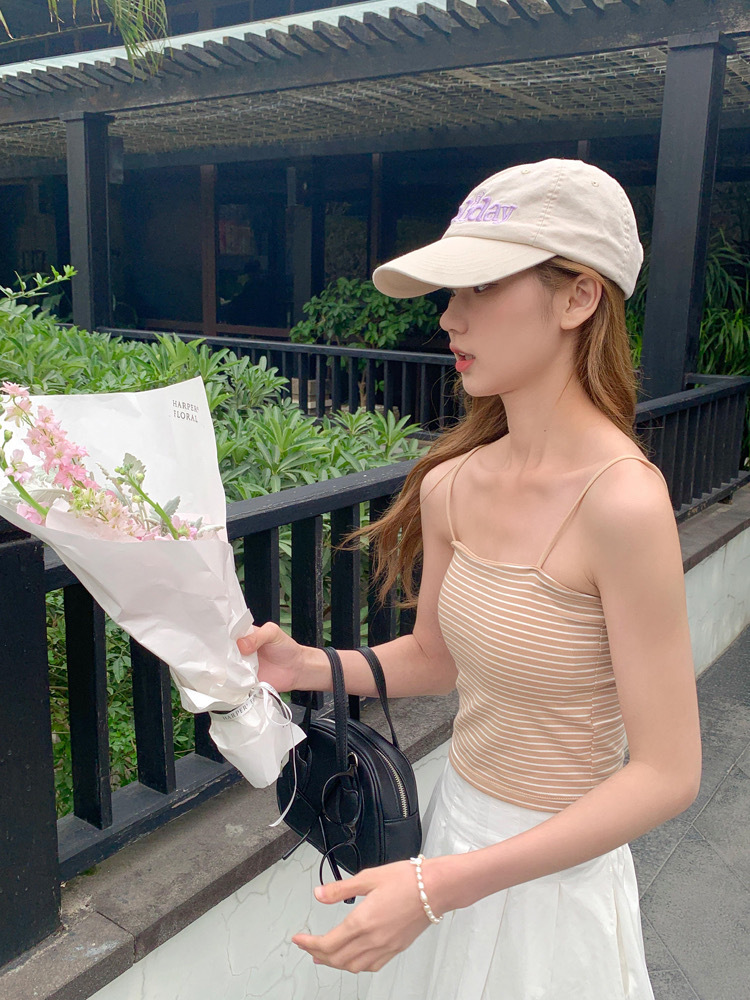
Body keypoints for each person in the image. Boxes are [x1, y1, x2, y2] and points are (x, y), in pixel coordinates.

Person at [236, 158, 702, 999]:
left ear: (578, 298)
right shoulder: (453, 483)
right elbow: (435, 659)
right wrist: (305, 664)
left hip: (555, 884)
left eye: (481, 286)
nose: (449, 316)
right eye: (451, 291)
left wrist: (439, 887)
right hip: (453, 832)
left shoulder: (623, 503)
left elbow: (669, 773)